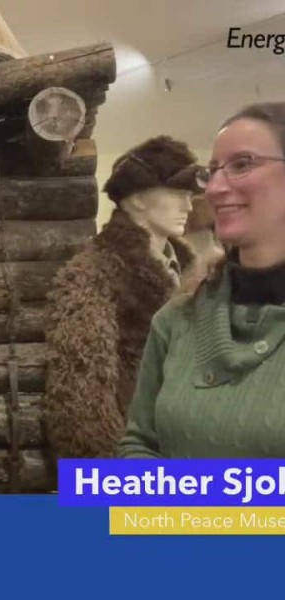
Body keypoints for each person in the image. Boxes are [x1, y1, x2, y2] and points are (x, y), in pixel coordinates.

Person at [119, 102, 285, 458]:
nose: (212, 190)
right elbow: (140, 443)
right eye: (212, 172)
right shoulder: (177, 318)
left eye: (242, 164)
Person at [44, 136, 200, 459]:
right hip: (138, 462)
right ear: (138, 199)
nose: (188, 205)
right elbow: (81, 400)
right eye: (178, 193)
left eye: (190, 195)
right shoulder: (96, 273)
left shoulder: (196, 275)